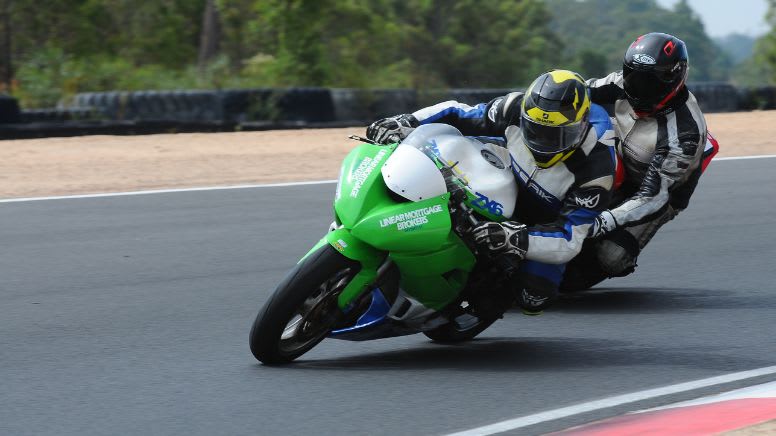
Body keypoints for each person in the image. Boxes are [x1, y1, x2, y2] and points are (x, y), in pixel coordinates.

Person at [366, 70, 617, 313]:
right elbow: (458, 113)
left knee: (534, 297)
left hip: (542, 220)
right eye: (535, 131)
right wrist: (407, 121)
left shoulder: (596, 170)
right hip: (501, 172)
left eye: (556, 136)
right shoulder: (515, 107)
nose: (543, 142)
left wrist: (515, 239)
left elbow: (568, 238)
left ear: (581, 126)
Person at [560, 32, 718, 291]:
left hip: (656, 190)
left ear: (674, 80)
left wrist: (601, 222)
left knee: (611, 256)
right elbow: (578, 92)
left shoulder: (685, 132)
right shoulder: (622, 83)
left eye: (650, 83)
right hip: (619, 155)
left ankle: (581, 274)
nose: (637, 88)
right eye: (633, 77)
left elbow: (652, 197)